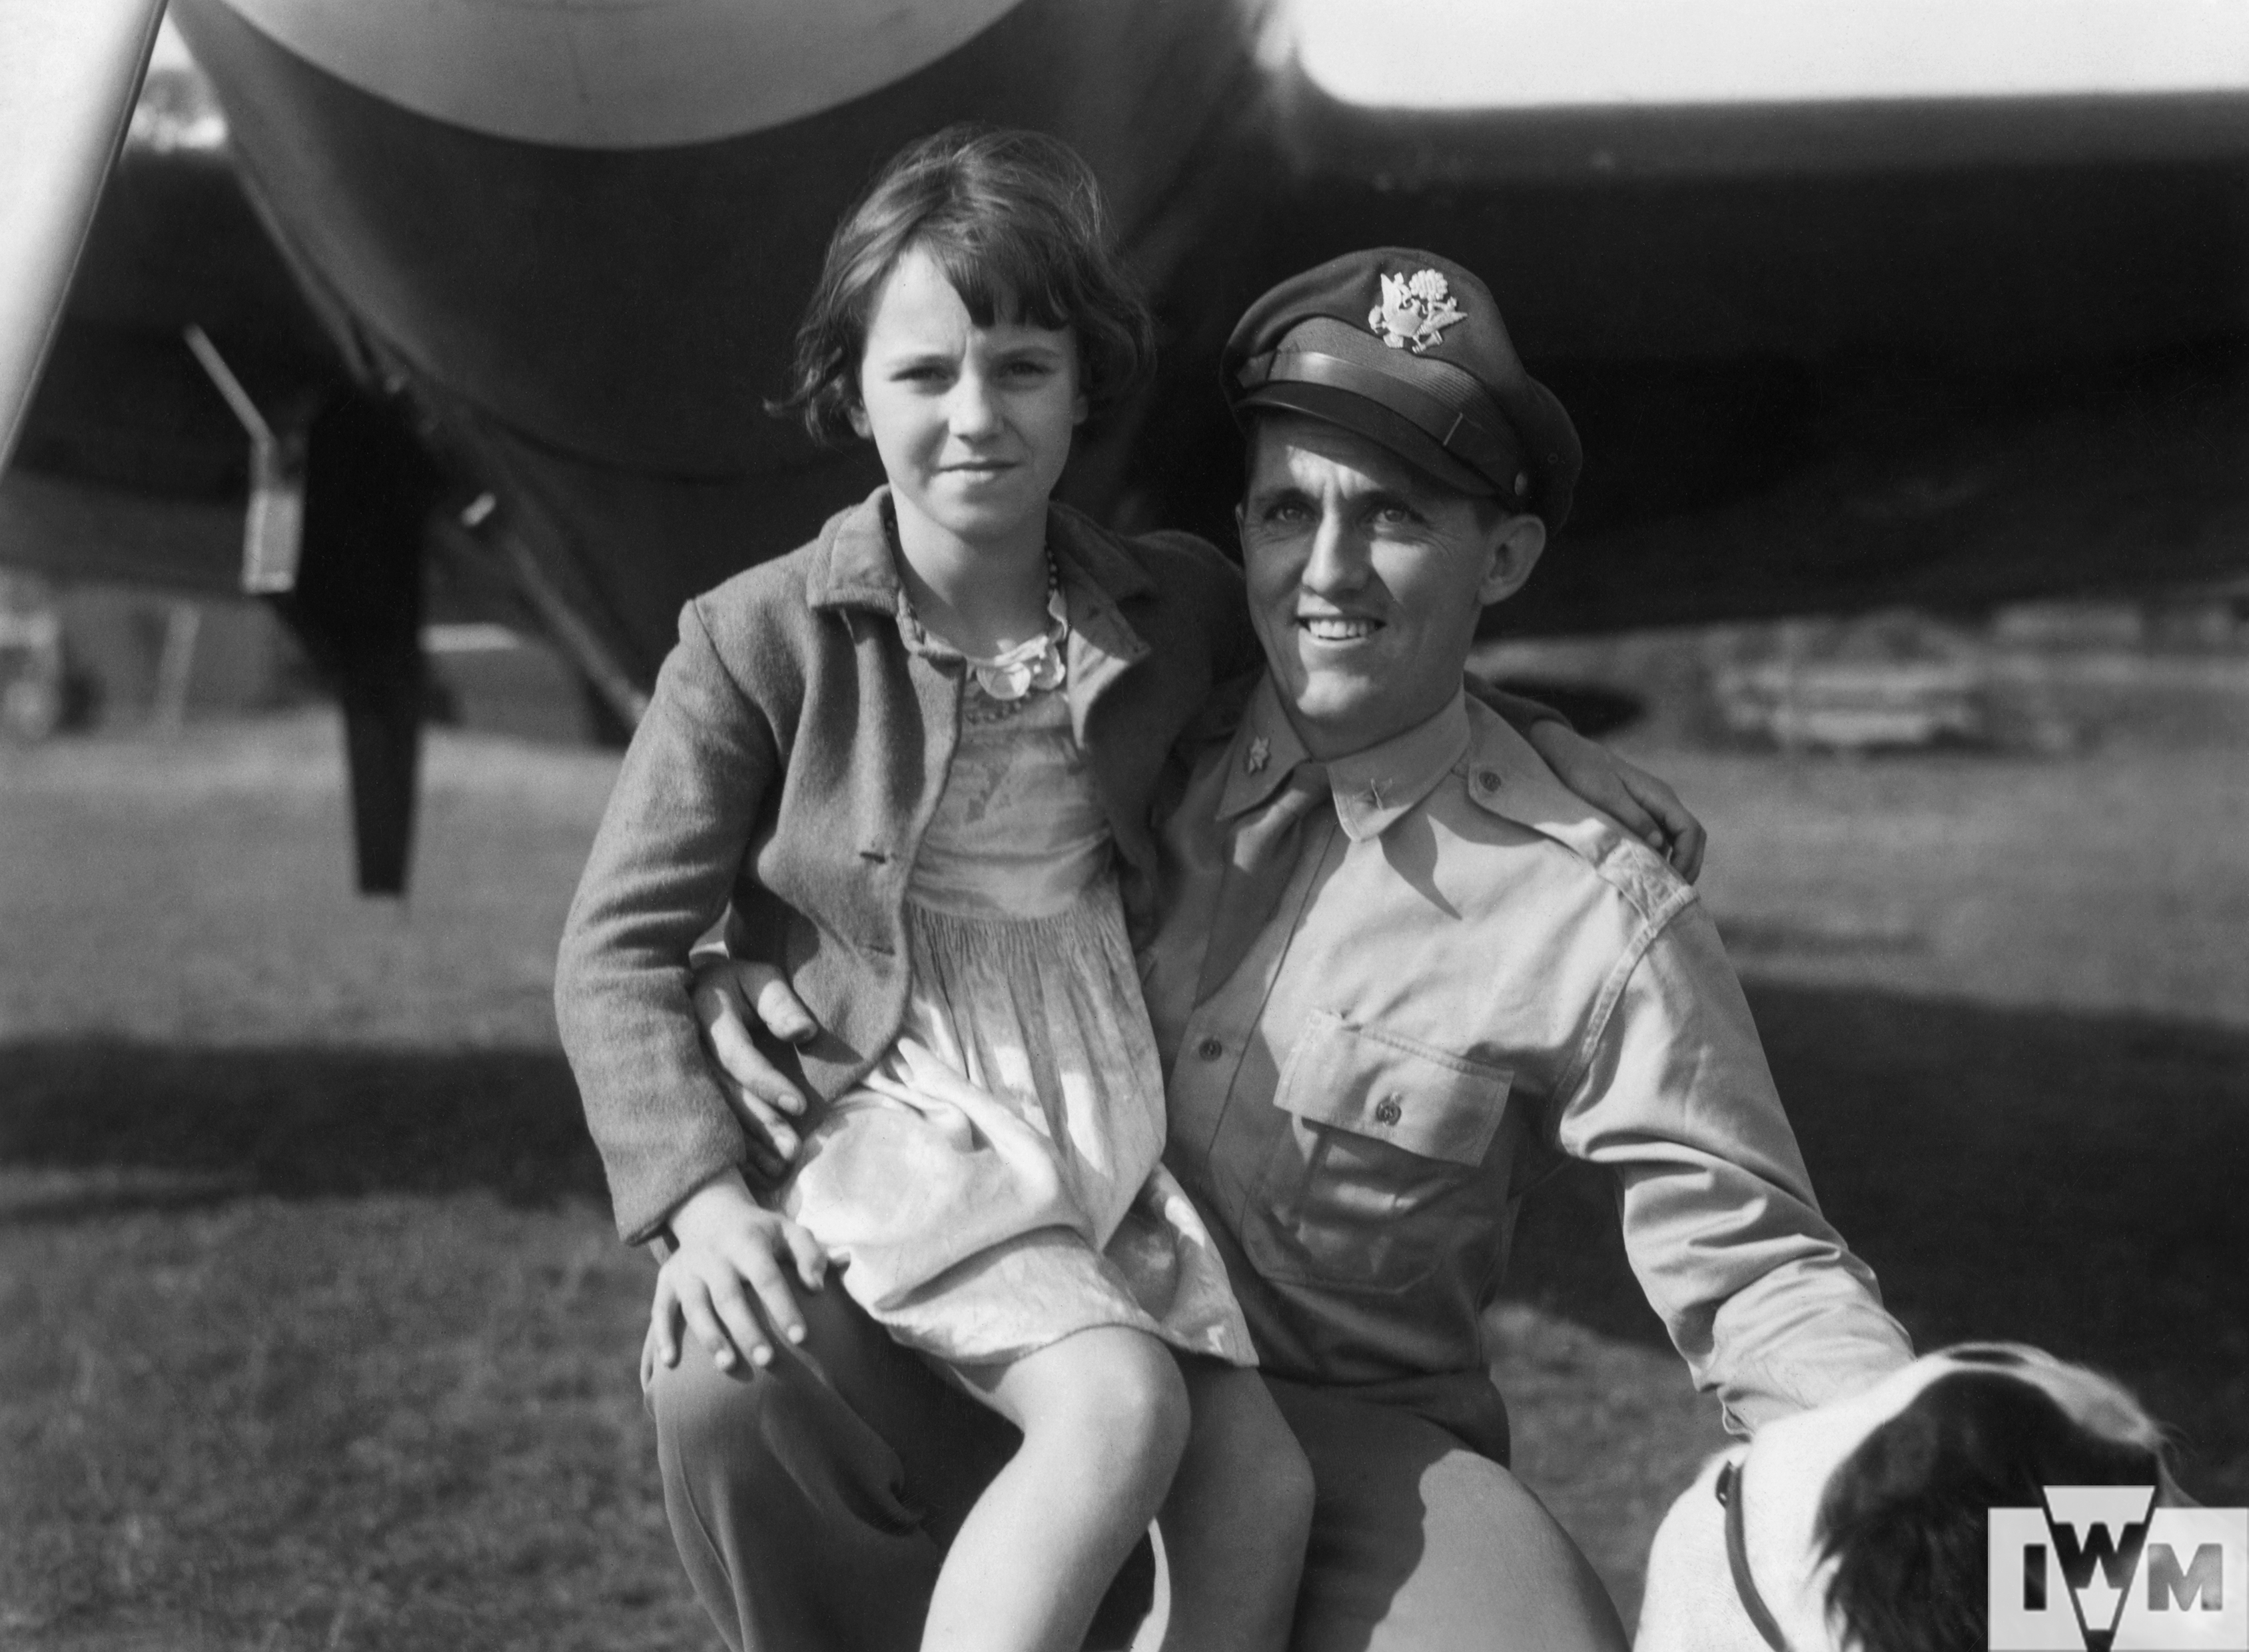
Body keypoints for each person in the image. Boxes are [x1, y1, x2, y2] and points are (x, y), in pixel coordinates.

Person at [689, 248, 1917, 1650]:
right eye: (1286, 511)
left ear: (1502, 555)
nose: (1324, 568)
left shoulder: (1587, 906)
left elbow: (1756, 1263)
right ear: (1240, 534)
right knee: (729, 1364)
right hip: (1024, 1352)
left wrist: (1935, 1466)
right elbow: (887, 832)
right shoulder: (1123, 733)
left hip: (1346, 1440)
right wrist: (729, 970)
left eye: (1392, 516)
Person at [556, 131, 1680, 1652]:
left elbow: (1358, 670)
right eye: (924, 374)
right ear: (851, 390)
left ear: (1083, 384)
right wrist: (694, 1204)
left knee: (1255, 1487)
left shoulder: (1164, 601)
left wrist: (1548, 748)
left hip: (1091, 1108)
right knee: (1112, 1405)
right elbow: (614, 946)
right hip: (909, 1102)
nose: (974, 417)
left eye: (1020, 368)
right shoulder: (760, 637)